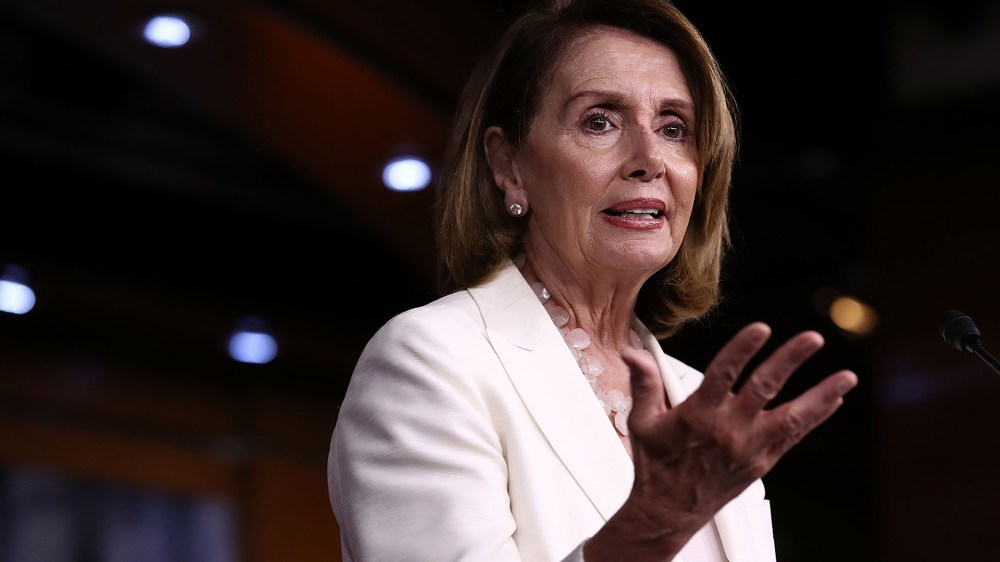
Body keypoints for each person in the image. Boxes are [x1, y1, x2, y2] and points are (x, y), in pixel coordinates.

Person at [327, 0, 859, 560]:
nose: (649, 158)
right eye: (599, 121)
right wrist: (649, 526)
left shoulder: (704, 407)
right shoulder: (431, 359)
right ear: (508, 165)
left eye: (674, 128)